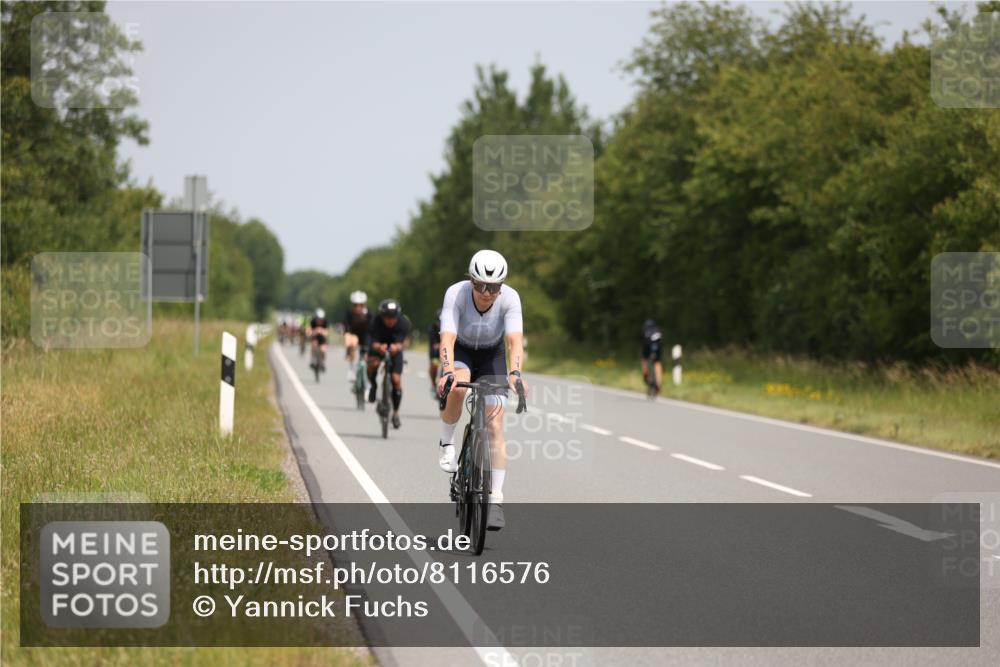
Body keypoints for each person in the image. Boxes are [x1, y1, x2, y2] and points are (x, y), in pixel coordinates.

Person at [435, 249, 527, 531]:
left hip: (492, 355)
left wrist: (516, 374)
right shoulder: (456, 294)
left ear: (502, 286)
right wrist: (448, 371)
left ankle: (496, 499)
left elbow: (514, 341)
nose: (487, 293)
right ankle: (446, 443)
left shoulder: (510, 298)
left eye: (494, 287)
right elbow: (448, 338)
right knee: (458, 390)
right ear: (471, 280)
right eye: (481, 286)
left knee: (495, 426)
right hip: (462, 350)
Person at [367, 299, 411, 429]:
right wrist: (378, 346)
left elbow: (405, 341)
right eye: (387, 317)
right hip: (378, 348)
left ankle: (396, 413)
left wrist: (398, 347)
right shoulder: (375, 322)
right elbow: (370, 340)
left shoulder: (404, 323)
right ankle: (373, 385)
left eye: (393, 317)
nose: (390, 320)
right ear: (382, 316)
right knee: (372, 365)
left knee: (396, 380)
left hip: (395, 351)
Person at [342, 291, 372, 382]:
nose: (357, 307)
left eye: (360, 305)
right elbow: (346, 325)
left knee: (367, 356)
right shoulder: (350, 313)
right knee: (352, 341)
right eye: (355, 305)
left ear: (363, 305)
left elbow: (373, 326)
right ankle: (351, 369)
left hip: (366, 335)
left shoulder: (368, 313)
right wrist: (347, 335)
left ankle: (366, 376)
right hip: (354, 335)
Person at [640, 319, 663, 393]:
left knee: (644, 359)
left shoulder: (644, 330)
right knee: (657, 363)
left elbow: (642, 342)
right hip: (657, 348)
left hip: (646, 348)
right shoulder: (657, 330)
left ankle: (645, 374)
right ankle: (658, 383)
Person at [308, 307, 331, 373]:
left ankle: (323, 362)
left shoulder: (325, 322)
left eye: (321, 319)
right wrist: (314, 331)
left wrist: (322, 331)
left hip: (322, 338)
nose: (319, 321)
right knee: (314, 345)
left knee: (323, 349)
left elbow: (327, 332)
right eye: (318, 319)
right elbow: (309, 331)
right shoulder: (312, 322)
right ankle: (313, 360)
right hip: (315, 337)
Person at [427, 309, 442, 397]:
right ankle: (433, 384)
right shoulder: (432, 328)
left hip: (449, 351)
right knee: (434, 365)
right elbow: (433, 344)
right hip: (436, 352)